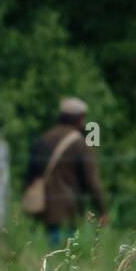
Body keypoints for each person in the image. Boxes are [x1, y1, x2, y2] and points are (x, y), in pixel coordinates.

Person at [23, 97, 108, 247]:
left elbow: (31, 174)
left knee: (50, 254)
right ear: (81, 118)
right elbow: (92, 180)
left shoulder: (44, 139)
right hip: (70, 207)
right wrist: (101, 209)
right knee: (68, 255)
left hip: (45, 205)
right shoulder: (81, 143)